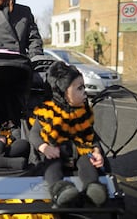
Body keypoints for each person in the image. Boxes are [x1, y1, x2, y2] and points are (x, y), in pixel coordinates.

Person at [28, 61, 108, 208]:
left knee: (87, 161)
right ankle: (60, 189)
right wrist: (44, 147)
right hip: (53, 152)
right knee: (51, 166)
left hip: (78, 152)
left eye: (83, 87)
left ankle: (92, 187)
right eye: (79, 88)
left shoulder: (83, 112)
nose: (84, 92)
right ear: (63, 93)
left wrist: (96, 151)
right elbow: (34, 135)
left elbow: (91, 136)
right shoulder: (47, 112)